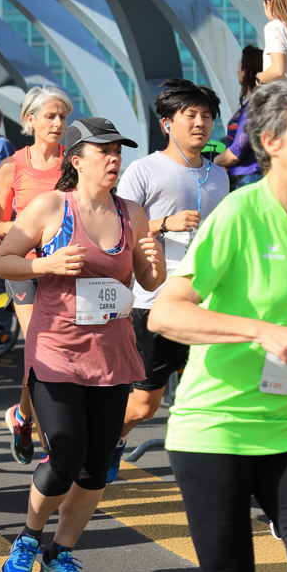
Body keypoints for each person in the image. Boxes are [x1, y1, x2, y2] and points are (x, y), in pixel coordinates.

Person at [145, 77, 287, 572]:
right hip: (216, 427)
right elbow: (166, 314)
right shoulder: (242, 213)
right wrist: (257, 330)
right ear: (272, 142)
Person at [0, 117, 164, 572]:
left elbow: (148, 280)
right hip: (57, 352)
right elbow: (3, 261)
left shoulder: (132, 213)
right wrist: (45, 264)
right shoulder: (51, 206)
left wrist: (155, 263)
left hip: (111, 355)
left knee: (97, 465)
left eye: (118, 150)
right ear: (77, 159)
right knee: (66, 453)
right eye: (103, 150)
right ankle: (28, 538)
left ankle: (59, 554)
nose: (114, 159)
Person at [113, 79, 228, 468]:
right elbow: (117, 230)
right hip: (154, 301)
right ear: (166, 123)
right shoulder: (144, 170)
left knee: (213, 394)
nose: (200, 123)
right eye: (191, 115)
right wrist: (164, 224)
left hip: (206, 302)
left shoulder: (218, 176)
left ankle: (209, 468)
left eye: (207, 116)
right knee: (144, 404)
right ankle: (109, 442)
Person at [0, 86, 72, 465]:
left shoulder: (73, 164)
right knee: (39, 348)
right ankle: (50, 450)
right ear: (31, 120)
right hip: (24, 267)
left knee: (53, 351)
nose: (58, 123)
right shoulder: (12, 167)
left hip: (63, 268)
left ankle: (22, 414)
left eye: (63, 117)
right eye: (50, 116)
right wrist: (29, 229)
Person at [216, 46, 265, 191]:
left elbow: (237, 151)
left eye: (239, 65)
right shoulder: (258, 105)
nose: (237, 70)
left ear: (248, 71)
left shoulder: (255, 106)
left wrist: (215, 161)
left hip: (248, 178)